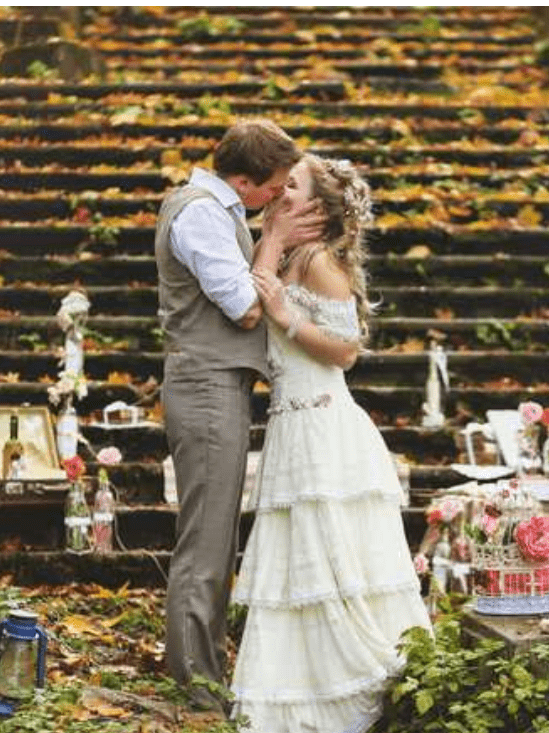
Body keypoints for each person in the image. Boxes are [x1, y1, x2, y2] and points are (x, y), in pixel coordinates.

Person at [231, 154, 433, 733]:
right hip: (291, 425)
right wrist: (270, 248)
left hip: (324, 426)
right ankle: (299, 688)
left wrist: (284, 314)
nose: (276, 189)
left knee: (334, 562)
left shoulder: (319, 261)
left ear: (317, 207)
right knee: (302, 567)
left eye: (289, 185)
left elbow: (346, 351)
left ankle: (352, 687)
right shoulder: (289, 253)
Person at [155, 119, 324, 713]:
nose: (278, 198)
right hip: (204, 386)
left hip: (219, 384)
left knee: (217, 537)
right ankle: (196, 686)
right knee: (204, 542)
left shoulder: (218, 209)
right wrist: (274, 242)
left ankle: (206, 669)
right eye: (275, 188)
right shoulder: (201, 211)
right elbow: (247, 309)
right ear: (246, 181)